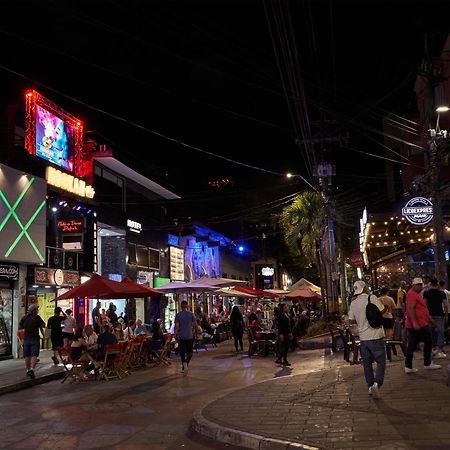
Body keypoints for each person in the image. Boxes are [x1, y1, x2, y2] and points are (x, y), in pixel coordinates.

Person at [348, 280, 386, 399]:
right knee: (380, 361)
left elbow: (351, 320)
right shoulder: (372, 298)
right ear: (365, 288)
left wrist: (361, 320)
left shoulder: (353, 303)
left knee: (367, 363)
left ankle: (370, 386)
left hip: (363, 338)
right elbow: (383, 311)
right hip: (375, 335)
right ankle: (376, 383)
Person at [404, 277, 441, 373]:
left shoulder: (416, 294)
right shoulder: (412, 294)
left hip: (419, 323)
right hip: (418, 324)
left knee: (412, 344)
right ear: (413, 285)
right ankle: (427, 363)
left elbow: (421, 309)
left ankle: (408, 366)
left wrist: (430, 319)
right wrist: (415, 322)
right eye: (418, 284)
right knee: (427, 341)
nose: (420, 286)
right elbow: (410, 308)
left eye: (421, 284)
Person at [423, 277, 448, 359]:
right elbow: (445, 305)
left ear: (430, 284)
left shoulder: (426, 293)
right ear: (437, 284)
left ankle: (433, 348)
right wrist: (446, 315)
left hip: (429, 315)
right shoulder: (441, 293)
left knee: (431, 332)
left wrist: (426, 315)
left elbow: (424, 305)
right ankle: (440, 349)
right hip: (439, 314)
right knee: (440, 332)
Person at [19, 303, 45, 379]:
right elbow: (43, 325)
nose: (37, 310)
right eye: (37, 309)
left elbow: (20, 326)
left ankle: (27, 370)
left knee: (27, 356)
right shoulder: (37, 317)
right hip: (35, 339)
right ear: (34, 310)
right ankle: (32, 369)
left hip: (26, 339)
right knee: (34, 355)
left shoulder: (24, 317)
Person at [174, 300, 196, 374]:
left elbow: (177, 326)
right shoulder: (191, 314)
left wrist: (175, 334)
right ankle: (186, 363)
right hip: (189, 335)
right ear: (187, 306)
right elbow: (195, 324)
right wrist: (195, 332)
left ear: (181, 306)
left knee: (182, 352)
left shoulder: (178, 315)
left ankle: (184, 366)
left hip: (181, 336)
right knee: (190, 352)